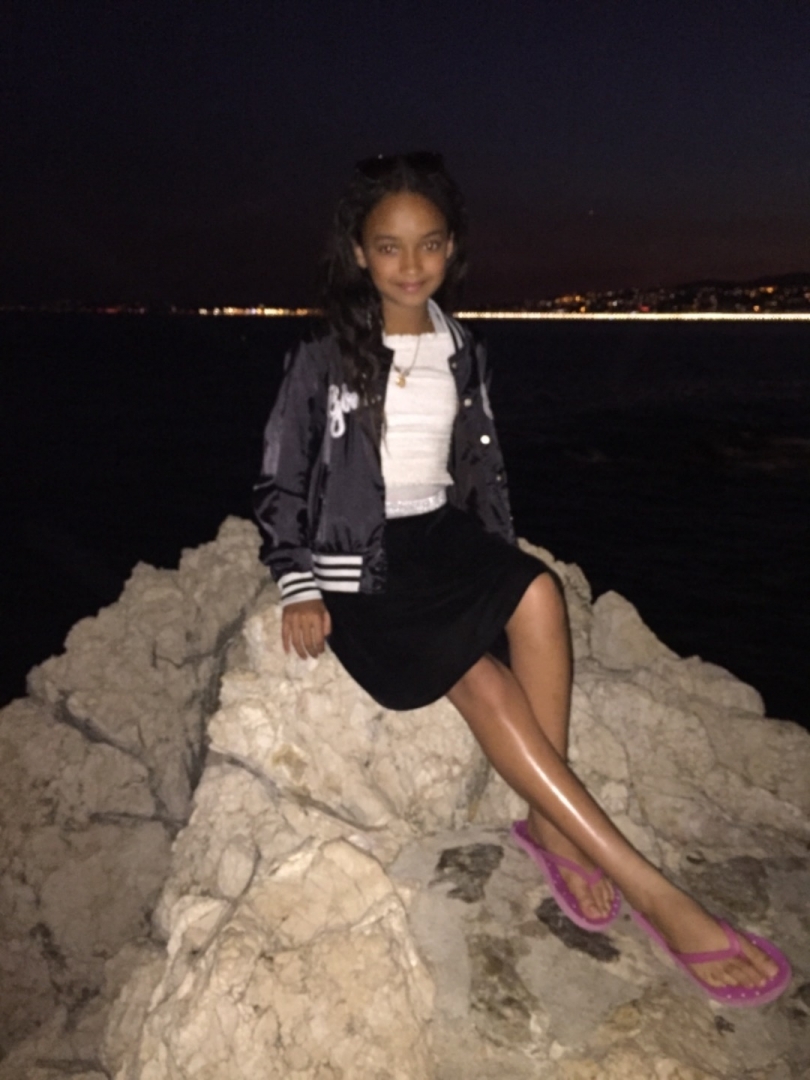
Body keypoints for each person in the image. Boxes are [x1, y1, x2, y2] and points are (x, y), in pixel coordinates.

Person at [253, 151, 791, 1007]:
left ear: (451, 247)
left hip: (440, 536)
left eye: (430, 244)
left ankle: (548, 819)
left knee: (538, 591)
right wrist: (299, 582)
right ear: (359, 252)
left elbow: (477, 469)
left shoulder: (463, 348)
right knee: (482, 681)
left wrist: (494, 563)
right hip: (363, 563)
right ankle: (656, 894)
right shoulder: (323, 355)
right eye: (389, 246)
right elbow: (281, 478)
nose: (411, 264)